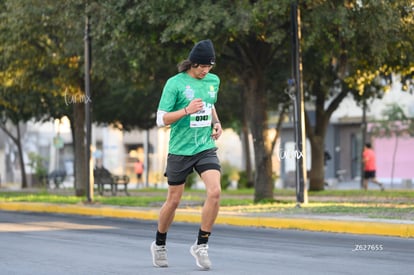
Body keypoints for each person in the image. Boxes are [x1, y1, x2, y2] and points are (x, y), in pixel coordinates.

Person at [150, 39, 223, 270]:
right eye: (202, 66)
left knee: (215, 191)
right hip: (180, 150)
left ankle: (201, 245)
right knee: (173, 201)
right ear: (193, 63)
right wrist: (185, 111)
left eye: (209, 67)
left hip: (204, 146)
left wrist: (217, 122)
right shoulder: (175, 84)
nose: (205, 71)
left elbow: (209, 104)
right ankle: (159, 244)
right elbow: (160, 119)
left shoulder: (213, 80)